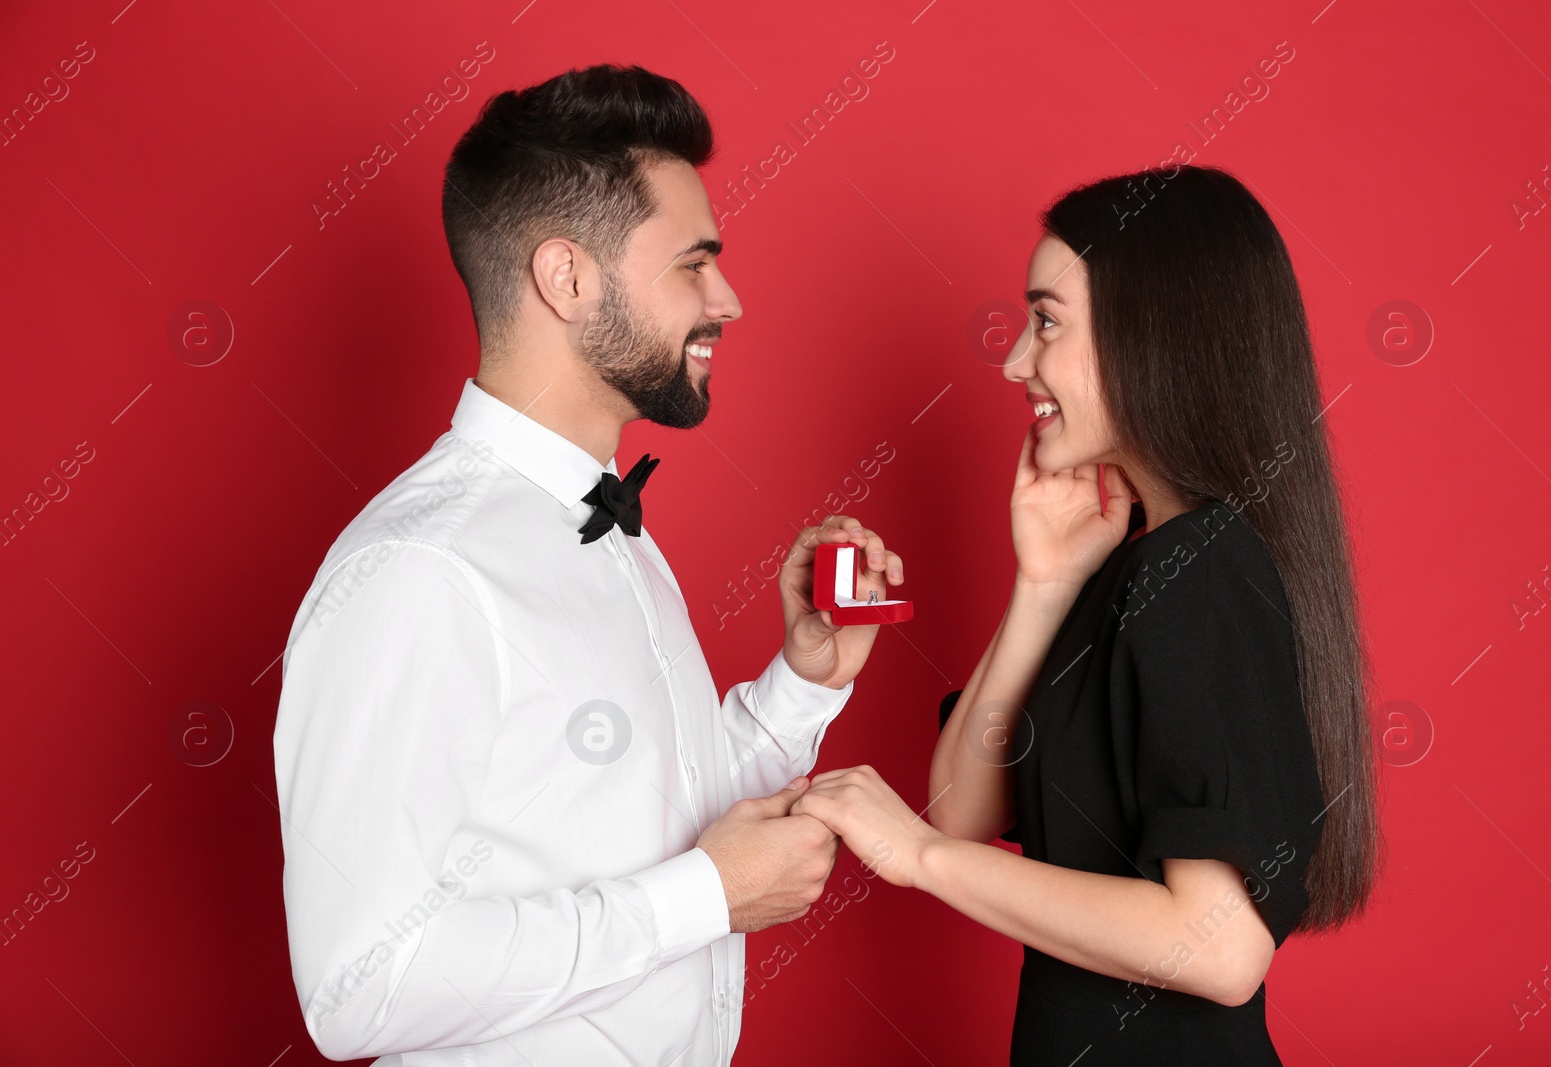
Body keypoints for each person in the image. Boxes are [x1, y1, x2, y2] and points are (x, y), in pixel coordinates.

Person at [271, 64, 906, 1065]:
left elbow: (651, 818)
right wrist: (703, 897)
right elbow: (359, 983)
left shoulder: (608, 530)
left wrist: (804, 682)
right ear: (567, 278)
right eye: (693, 262)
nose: (728, 299)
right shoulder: (420, 571)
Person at [791, 164, 1381, 1064]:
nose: (1014, 359)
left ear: (1157, 337)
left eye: (1047, 321)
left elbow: (1221, 948)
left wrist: (916, 858)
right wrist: (1046, 583)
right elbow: (959, 808)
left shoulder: (1199, 568)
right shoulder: (1139, 562)